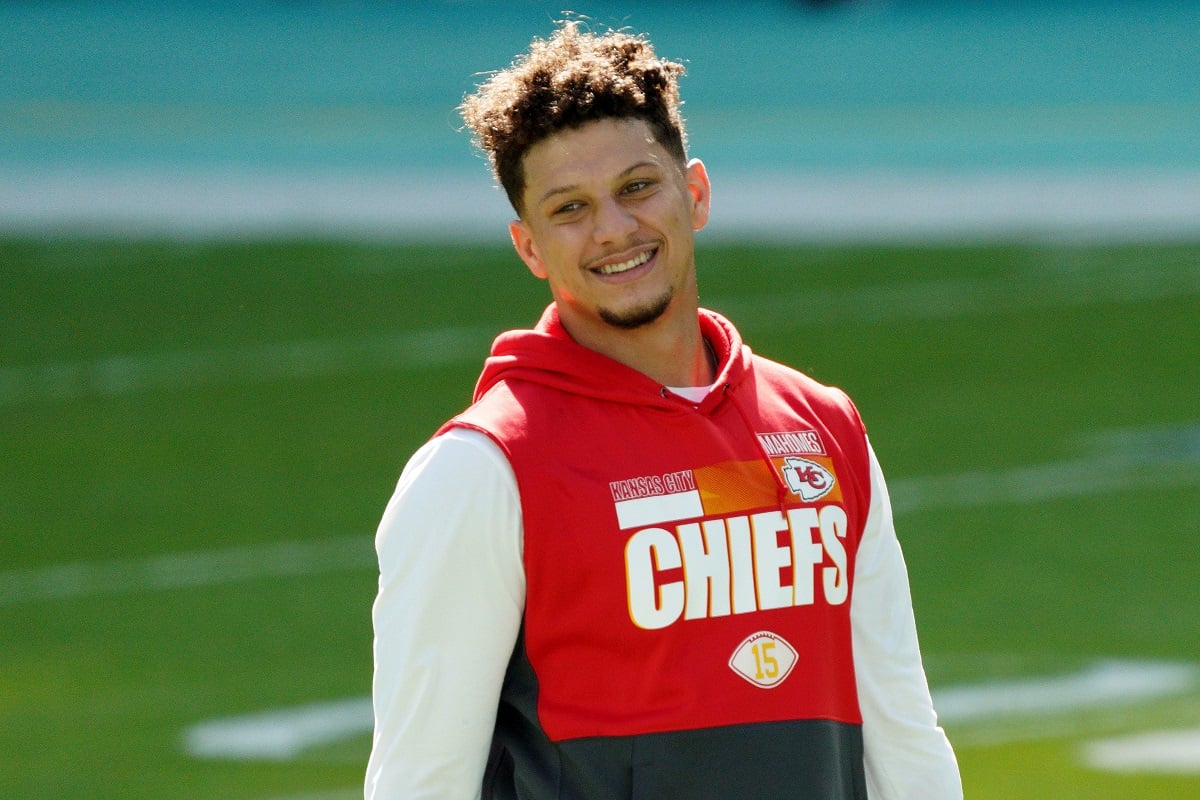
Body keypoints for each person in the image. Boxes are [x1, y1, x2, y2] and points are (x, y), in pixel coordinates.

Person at [365, 20, 961, 800]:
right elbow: (421, 780)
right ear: (530, 248)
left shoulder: (821, 427)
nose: (614, 229)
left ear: (697, 192)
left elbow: (902, 734)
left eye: (637, 187)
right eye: (569, 208)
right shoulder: (481, 470)